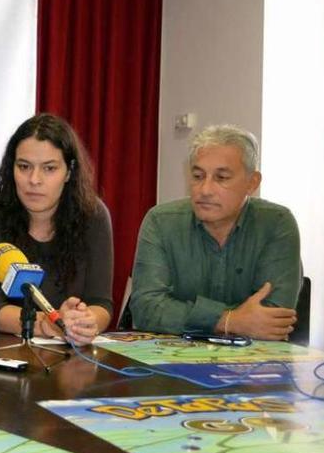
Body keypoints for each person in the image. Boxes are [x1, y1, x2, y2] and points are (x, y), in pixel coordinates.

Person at [129, 124, 301, 340]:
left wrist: (183, 315)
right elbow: (146, 309)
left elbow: (273, 318)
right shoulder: (161, 222)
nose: (205, 190)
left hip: (252, 363)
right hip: (172, 362)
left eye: (221, 178)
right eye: (198, 176)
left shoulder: (276, 224)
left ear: (252, 183)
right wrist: (230, 321)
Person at [0, 114, 113, 346]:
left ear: (69, 172)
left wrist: (84, 322)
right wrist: (47, 323)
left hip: (68, 354)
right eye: (24, 167)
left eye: (49, 168)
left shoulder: (93, 216)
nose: (34, 180)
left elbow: (101, 303)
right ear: (10, 167)